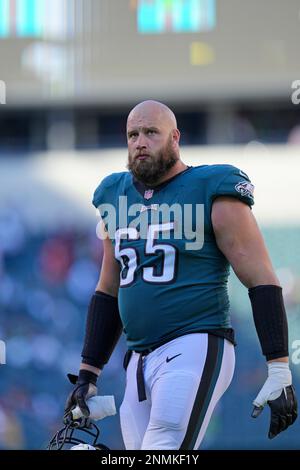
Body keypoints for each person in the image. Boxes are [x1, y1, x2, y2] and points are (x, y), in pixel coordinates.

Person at [64, 100, 297, 450]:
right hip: (139, 358)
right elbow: (109, 289)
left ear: (175, 138)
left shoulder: (211, 185)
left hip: (195, 342)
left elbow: (261, 277)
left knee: (163, 449)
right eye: (133, 134)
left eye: (150, 133)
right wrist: (88, 374)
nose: (140, 142)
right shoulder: (115, 193)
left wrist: (278, 366)